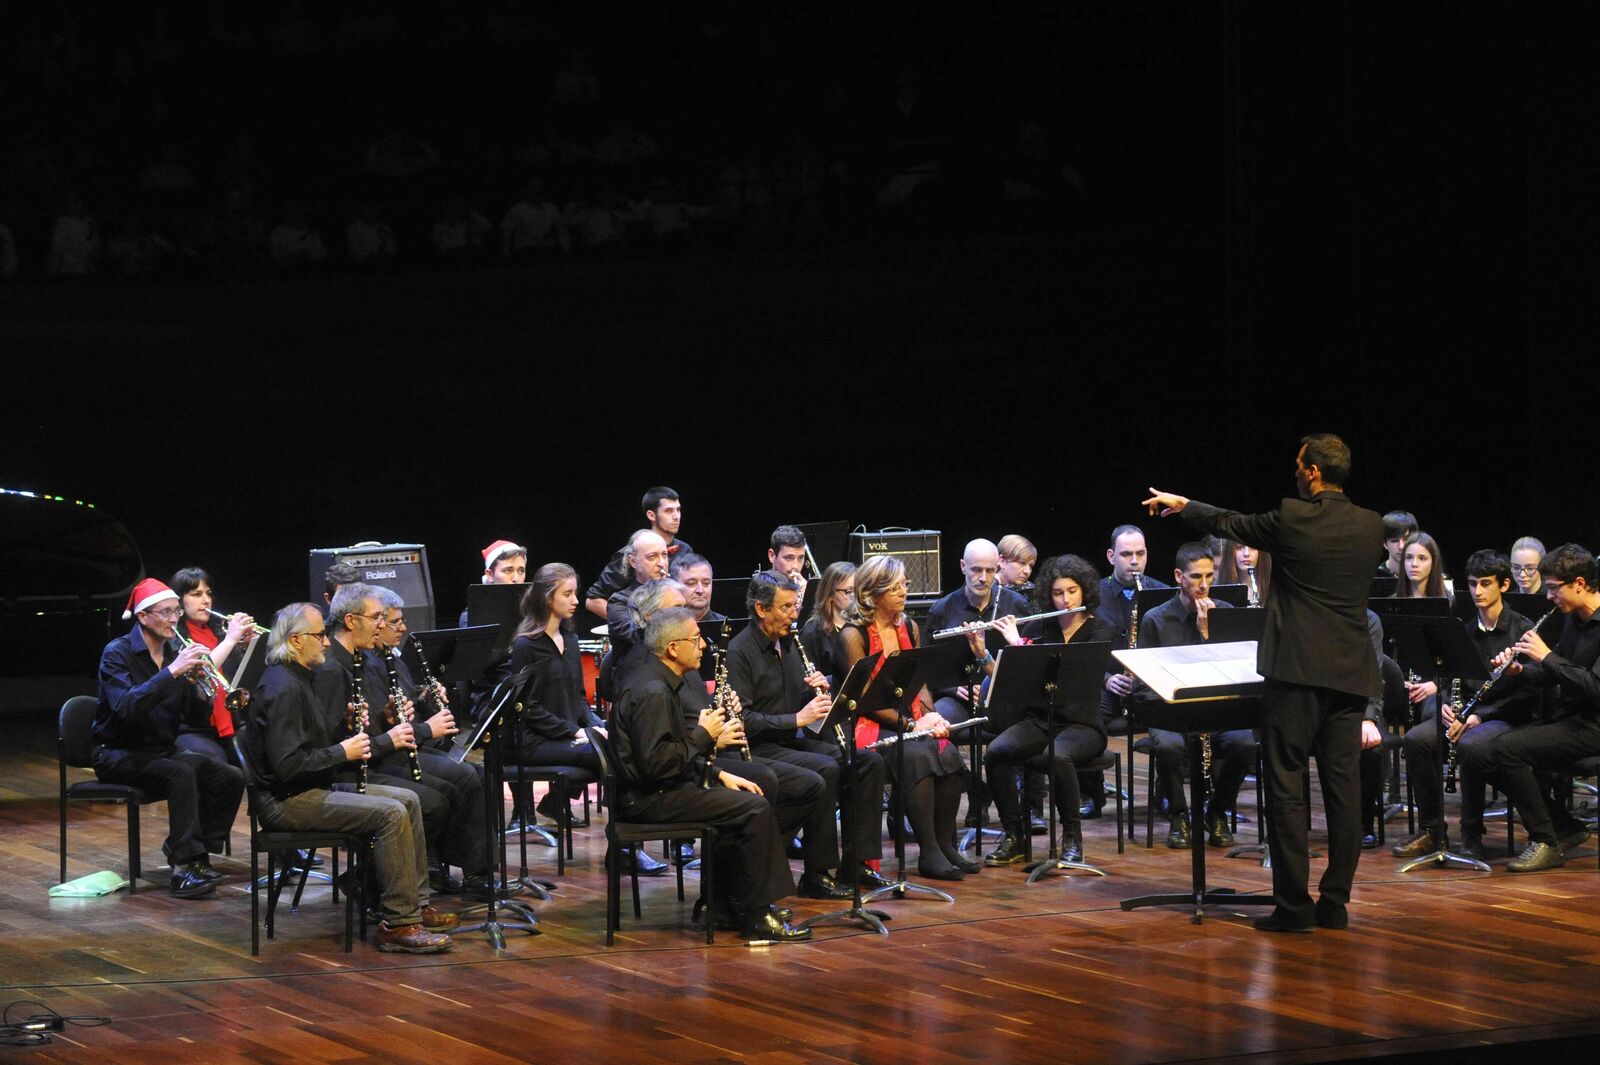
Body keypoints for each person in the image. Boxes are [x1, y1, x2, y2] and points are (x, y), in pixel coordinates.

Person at [1144, 432, 1384, 932]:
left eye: (1299, 465)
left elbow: (1230, 522)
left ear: (1313, 471)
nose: (1295, 472)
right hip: (1350, 671)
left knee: (1287, 785)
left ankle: (1294, 909)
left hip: (1296, 670)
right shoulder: (1370, 525)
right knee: (1343, 790)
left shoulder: (1294, 518)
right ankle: (1334, 905)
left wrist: (1182, 504)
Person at [243, 603, 453, 952]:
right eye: (319, 636)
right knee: (390, 813)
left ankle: (415, 906)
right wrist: (344, 751)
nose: (326, 642)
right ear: (295, 641)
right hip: (286, 802)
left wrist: (345, 728)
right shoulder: (282, 689)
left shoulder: (298, 677)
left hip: (307, 788)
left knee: (408, 799)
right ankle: (398, 924)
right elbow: (288, 766)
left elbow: (311, 744)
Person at [611, 607, 810, 942]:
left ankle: (728, 903)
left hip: (664, 787)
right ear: (673, 649)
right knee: (754, 808)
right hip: (648, 798)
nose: (703, 645)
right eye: (696, 639)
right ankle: (756, 913)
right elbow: (656, 765)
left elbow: (668, 754)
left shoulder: (658, 678)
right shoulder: (652, 692)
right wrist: (705, 736)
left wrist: (716, 773)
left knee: (750, 794)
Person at [728, 571, 889, 893]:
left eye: (795, 606)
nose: (793, 614)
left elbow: (797, 706)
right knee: (828, 768)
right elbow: (742, 720)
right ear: (761, 609)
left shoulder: (789, 644)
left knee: (867, 762)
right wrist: (798, 719)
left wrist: (817, 695)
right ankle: (817, 874)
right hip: (756, 749)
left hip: (790, 743)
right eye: (786, 607)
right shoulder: (739, 651)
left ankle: (856, 865)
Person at [92, 579, 245, 897]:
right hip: (117, 753)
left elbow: (190, 714)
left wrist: (198, 684)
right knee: (182, 772)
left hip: (159, 750)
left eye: (176, 611)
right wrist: (172, 673)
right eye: (165, 612)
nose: (174, 619)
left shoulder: (175, 651)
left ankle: (192, 852)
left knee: (228, 777)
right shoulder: (116, 654)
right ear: (143, 616)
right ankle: (183, 869)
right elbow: (125, 707)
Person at [1392, 550, 1541, 859]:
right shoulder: (1465, 631)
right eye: (1473, 584)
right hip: (1466, 716)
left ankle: (1472, 833)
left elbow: (1528, 694)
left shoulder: (1523, 630)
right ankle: (1432, 830)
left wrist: (1479, 717)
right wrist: (1446, 704)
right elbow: (1449, 678)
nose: (1477, 592)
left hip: (1508, 718)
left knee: (1470, 746)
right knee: (1416, 740)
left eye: (1486, 584)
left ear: (1503, 585)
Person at [1462, 543, 1600, 872]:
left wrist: (1545, 656)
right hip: (1569, 720)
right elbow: (1554, 675)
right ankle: (1564, 827)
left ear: (1579, 584)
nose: (1549, 597)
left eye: (1554, 589)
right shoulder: (1574, 620)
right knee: (1483, 752)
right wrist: (1520, 670)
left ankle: (1546, 841)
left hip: (1593, 725)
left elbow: (1594, 687)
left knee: (1509, 749)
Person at [837, 556, 974, 880]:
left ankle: (945, 845)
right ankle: (928, 852)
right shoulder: (852, 635)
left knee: (947, 752)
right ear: (874, 593)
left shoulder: (908, 626)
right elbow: (864, 699)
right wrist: (912, 725)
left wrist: (932, 715)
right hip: (869, 724)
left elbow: (920, 682)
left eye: (904, 586)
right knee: (916, 754)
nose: (903, 593)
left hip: (909, 718)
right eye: (895, 587)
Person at [984, 554, 1117, 865]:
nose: (1066, 600)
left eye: (1072, 591)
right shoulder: (1043, 629)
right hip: (1043, 719)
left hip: (1083, 723)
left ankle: (1072, 838)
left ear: (1084, 591)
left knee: (1058, 755)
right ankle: (1015, 835)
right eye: (1058, 593)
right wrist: (986, 651)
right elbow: (1021, 681)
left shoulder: (1102, 630)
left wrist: (1020, 645)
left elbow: (1074, 674)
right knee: (996, 752)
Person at [1132, 543, 1259, 849]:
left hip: (1217, 709)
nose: (1204, 585)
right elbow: (1144, 685)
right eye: (1195, 577)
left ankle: (1216, 811)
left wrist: (1210, 634)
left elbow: (1237, 671)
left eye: (1209, 576)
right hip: (1171, 709)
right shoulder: (1155, 619)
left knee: (1244, 743)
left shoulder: (1225, 613)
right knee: (1167, 744)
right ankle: (1179, 815)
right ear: (1178, 576)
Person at [368, 587, 491, 896]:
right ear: (377, 624)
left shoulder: (393, 659)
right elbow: (379, 729)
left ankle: (460, 866)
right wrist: (427, 728)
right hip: (387, 757)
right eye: (395, 622)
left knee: (476, 773)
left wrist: (424, 700)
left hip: (407, 747)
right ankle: (458, 870)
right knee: (459, 780)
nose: (403, 628)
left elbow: (404, 708)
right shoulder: (368, 665)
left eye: (402, 620)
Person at [171, 566, 261, 764]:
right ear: (179, 600)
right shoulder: (175, 638)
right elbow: (202, 670)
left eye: (208, 594)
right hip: (193, 727)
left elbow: (238, 678)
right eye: (196, 594)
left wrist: (246, 646)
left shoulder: (217, 633)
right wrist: (230, 639)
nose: (206, 600)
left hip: (231, 720)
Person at [585, 488, 693, 618]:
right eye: (668, 511)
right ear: (651, 515)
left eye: (678, 510)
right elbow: (592, 601)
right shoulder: (630, 554)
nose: (676, 516)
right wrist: (629, 624)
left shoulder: (685, 550)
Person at [603, 530, 671, 657]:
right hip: (638, 672)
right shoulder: (619, 602)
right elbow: (643, 641)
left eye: (665, 555)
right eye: (652, 557)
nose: (662, 563)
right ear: (633, 561)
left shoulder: (676, 595)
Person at [799, 561, 855, 683]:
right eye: (848, 591)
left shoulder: (859, 625)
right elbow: (807, 682)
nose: (855, 597)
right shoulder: (812, 632)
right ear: (830, 594)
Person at [457, 540, 526, 626]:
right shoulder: (472, 616)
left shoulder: (531, 611)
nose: (516, 578)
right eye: (508, 570)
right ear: (489, 574)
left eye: (521, 571)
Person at [672, 552, 725, 624]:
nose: (700, 590)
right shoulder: (663, 627)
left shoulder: (728, 626)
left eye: (706, 583)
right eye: (691, 583)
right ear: (674, 587)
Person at [1219, 540, 1272, 607]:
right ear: (1230, 552)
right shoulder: (1218, 591)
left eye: (1253, 547)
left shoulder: (1273, 590)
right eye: (1239, 547)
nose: (1246, 554)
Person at [1380, 511, 1419, 579]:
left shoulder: (1430, 577)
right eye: (1394, 541)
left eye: (1406, 539)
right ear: (1384, 544)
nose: (1401, 546)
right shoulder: (1374, 579)